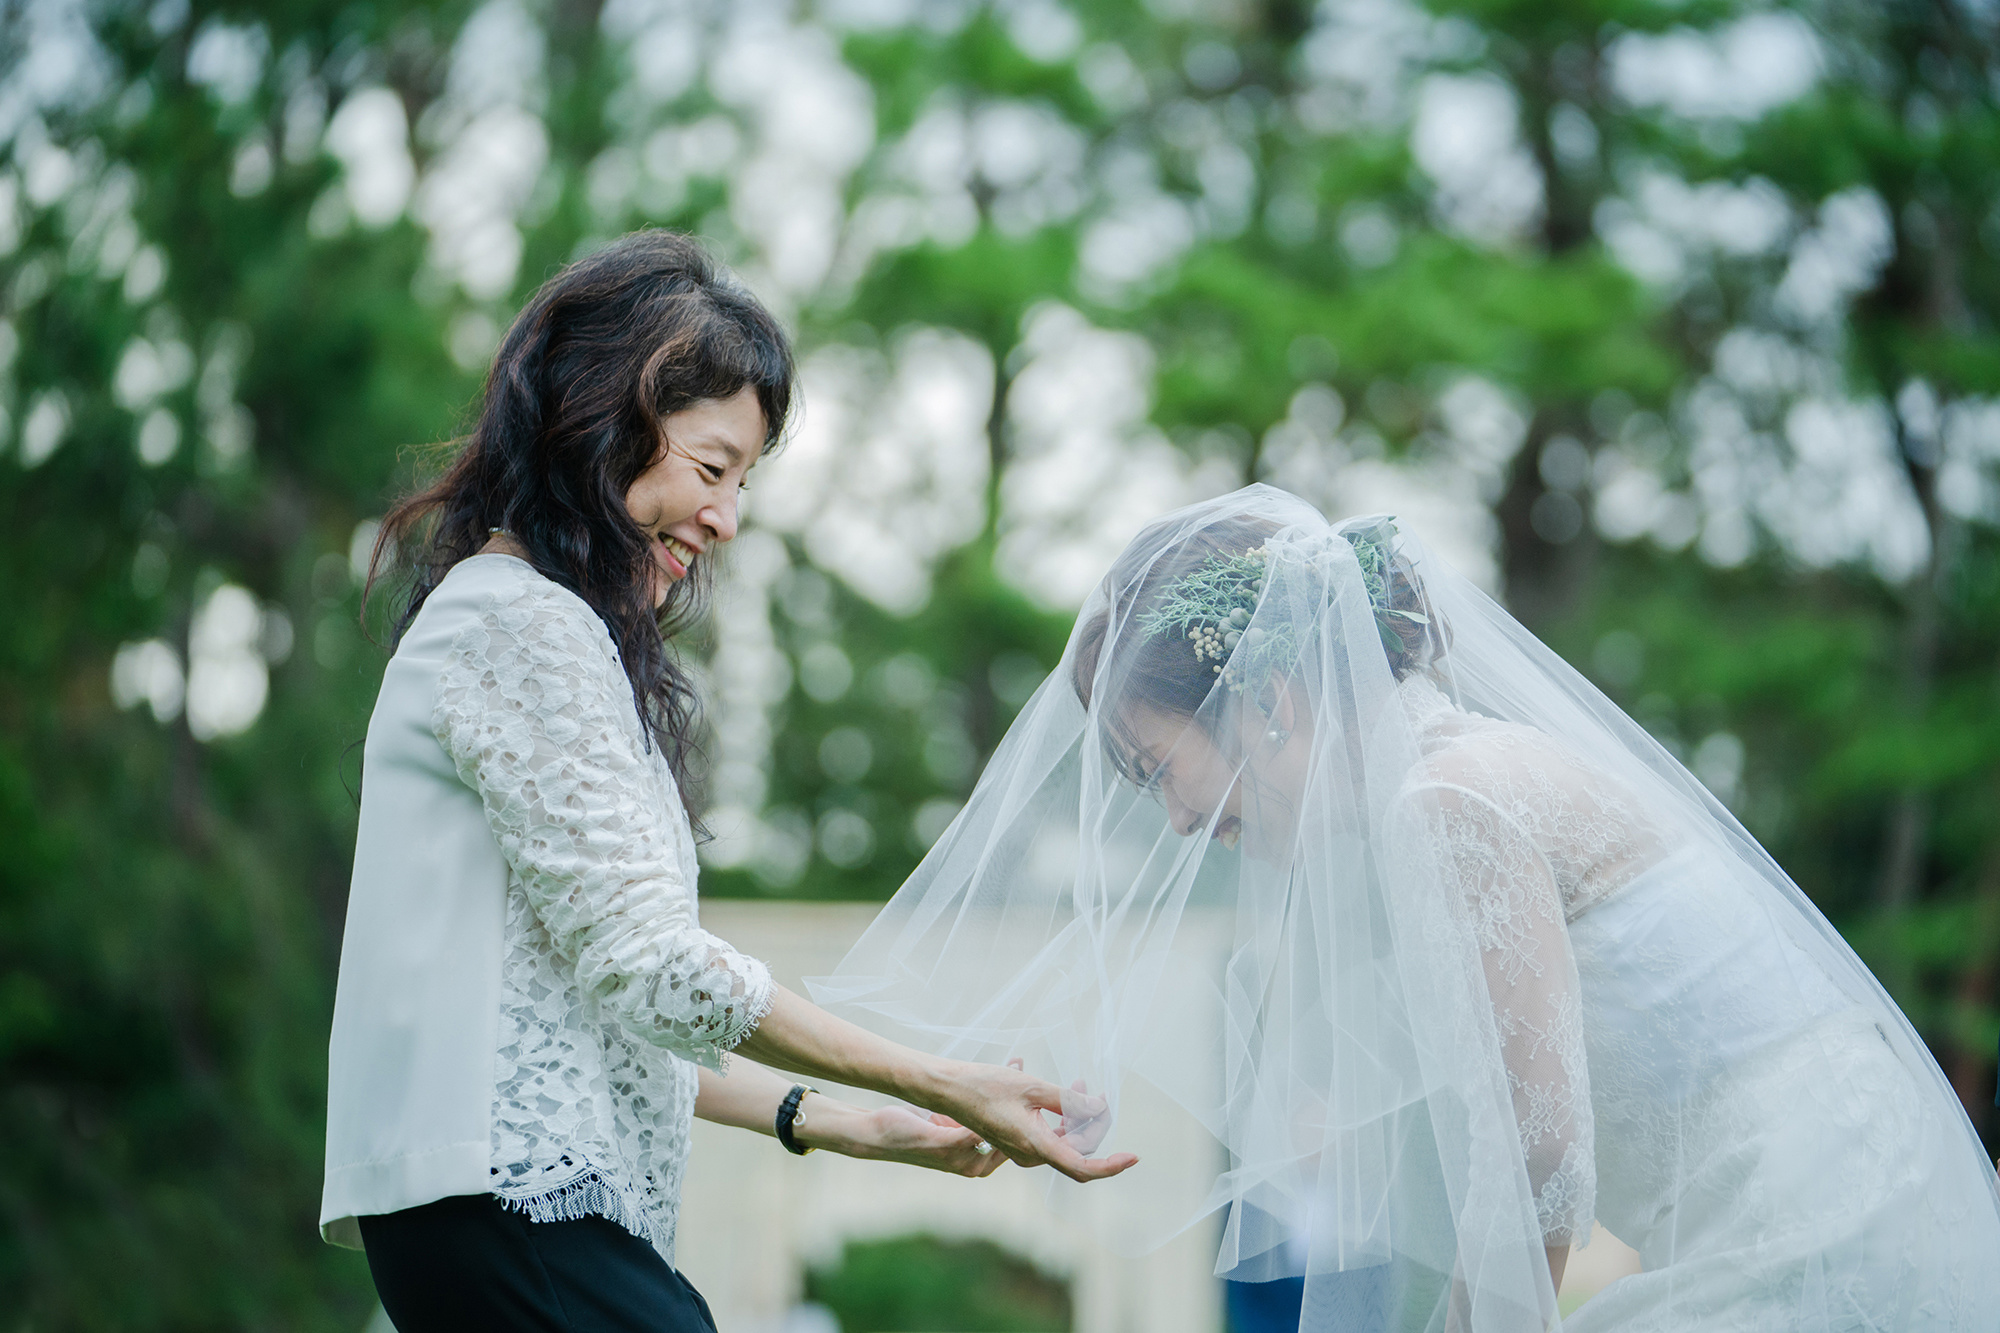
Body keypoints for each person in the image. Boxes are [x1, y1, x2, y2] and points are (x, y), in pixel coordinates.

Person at [819, 484, 2000, 1331]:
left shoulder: (1449, 805)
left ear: (1270, 698)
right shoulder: (1423, 800)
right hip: (1811, 1200)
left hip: (1819, 1226)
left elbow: (1537, 1179)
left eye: (1154, 766)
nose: (1173, 821)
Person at [319, 231, 1134, 1333]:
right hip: (508, 1207)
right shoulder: (522, 625)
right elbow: (654, 968)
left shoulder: (533, 629)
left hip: (508, 1208)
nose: (727, 518)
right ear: (602, 422)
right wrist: (942, 1080)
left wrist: (851, 1123)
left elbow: (592, 1009)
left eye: (742, 480)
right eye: (712, 468)